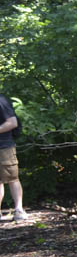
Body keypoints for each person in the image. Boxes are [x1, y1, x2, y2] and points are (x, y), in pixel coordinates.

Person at [0, 92, 28, 221]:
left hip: (4, 146)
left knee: (12, 178)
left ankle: (19, 210)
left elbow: (12, 123)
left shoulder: (1, 100)